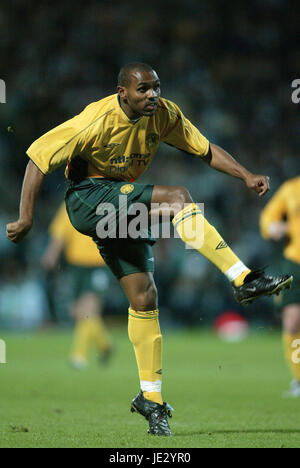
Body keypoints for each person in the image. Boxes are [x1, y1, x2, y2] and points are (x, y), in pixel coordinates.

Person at [6, 62, 292, 436]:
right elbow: (37, 158)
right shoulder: (95, 119)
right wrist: (26, 218)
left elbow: (205, 150)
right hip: (89, 198)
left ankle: (151, 401)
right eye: (143, 89)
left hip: (121, 203)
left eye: (156, 87)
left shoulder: (166, 114)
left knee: (144, 298)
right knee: (177, 198)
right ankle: (242, 278)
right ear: (122, 92)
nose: (152, 94)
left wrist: (246, 175)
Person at [42, 202, 113, 369]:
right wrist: (52, 253)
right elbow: (61, 230)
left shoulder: (106, 199)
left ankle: (78, 356)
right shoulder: (72, 201)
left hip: (99, 263)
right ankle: (105, 344)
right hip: (76, 265)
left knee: (88, 309)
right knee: (76, 311)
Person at [260, 177, 300, 397]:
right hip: (296, 262)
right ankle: (299, 380)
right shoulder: (291, 189)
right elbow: (268, 218)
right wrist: (272, 227)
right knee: (293, 322)